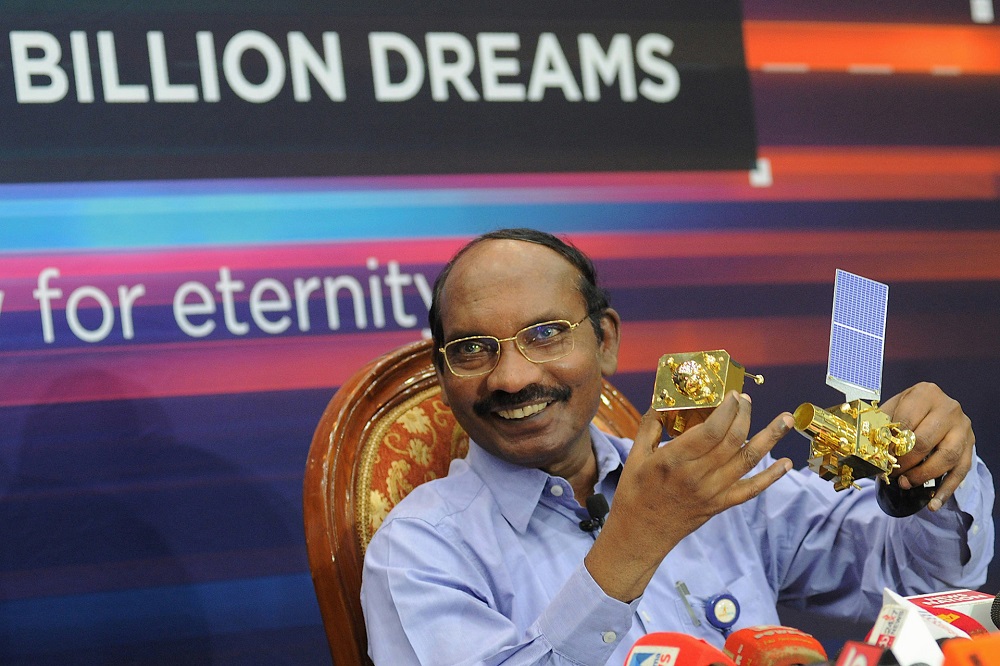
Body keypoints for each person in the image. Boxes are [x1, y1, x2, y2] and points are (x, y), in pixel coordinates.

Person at [360, 228, 994, 665]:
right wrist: (633, 544)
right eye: (472, 350)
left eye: (547, 334)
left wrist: (929, 466)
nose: (513, 377)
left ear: (605, 341)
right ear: (443, 374)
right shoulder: (419, 550)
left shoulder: (711, 481)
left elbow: (925, 584)